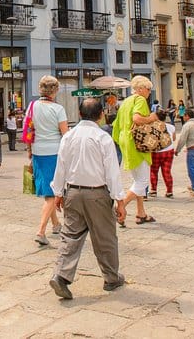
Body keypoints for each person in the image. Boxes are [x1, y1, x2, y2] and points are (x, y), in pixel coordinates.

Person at [48, 98, 126, 301]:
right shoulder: (103, 138)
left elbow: (61, 166)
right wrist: (120, 200)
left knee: (71, 236)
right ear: (101, 115)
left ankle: (61, 275)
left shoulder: (68, 136)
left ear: (79, 114)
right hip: (97, 194)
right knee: (105, 237)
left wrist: (58, 192)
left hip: (72, 192)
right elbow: (112, 172)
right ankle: (111, 277)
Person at [26, 75, 68, 246]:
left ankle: (56, 224)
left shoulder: (32, 106)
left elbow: (28, 129)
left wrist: (29, 151)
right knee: (52, 194)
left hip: (37, 151)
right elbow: (65, 134)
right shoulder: (58, 109)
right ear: (55, 90)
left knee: (46, 190)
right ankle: (41, 231)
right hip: (54, 152)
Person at [111, 76, 158, 225]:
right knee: (143, 181)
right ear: (139, 89)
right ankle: (121, 206)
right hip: (136, 143)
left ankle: (141, 213)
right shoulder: (140, 100)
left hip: (125, 141)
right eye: (147, 89)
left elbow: (116, 125)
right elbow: (137, 119)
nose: (149, 92)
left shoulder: (125, 102)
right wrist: (152, 118)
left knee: (137, 179)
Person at [149, 109, 176, 198]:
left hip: (156, 151)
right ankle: (169, 191)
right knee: (167, 171)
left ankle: (153, 190)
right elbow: (174, 138)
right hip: (169, 151)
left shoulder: (152, 126)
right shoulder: (171, 127)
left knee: (154, 171)